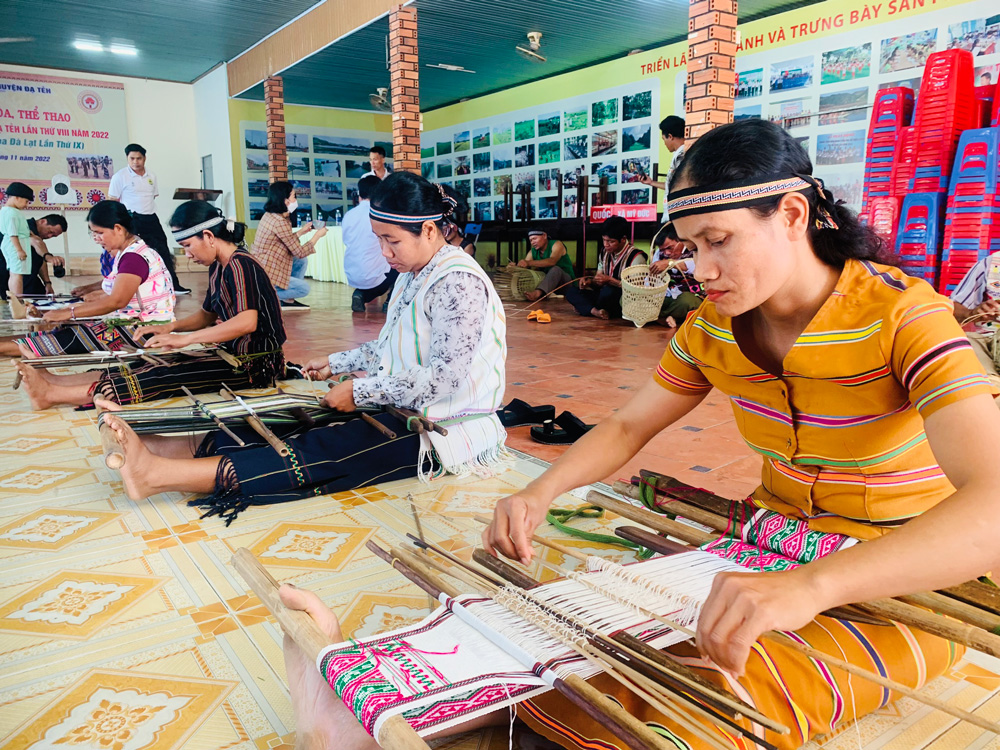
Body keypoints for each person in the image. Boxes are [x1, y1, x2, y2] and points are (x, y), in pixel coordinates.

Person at [469, 118, 1000, 749]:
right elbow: (628, 423)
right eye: (691, 247)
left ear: (793, 214)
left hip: (908, 570)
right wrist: (541, 491)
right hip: (771, 542)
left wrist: (816, 585)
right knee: (583, 660)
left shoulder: (905, 316)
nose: (700, 268)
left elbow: (992, 504)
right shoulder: (712, 327)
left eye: (718, 241)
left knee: (703, 700)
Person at [100, 172, 508, 525]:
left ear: (431, 231)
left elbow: (445, 377)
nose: (384, 253)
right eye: (378, 239)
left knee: (324, 448)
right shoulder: (412, 274)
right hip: (404, 405)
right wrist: (334, 363)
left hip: (448, 430)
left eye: (392, 241)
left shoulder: (458, 282)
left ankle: (156, 475)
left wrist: (360, 391)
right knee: (289, 420)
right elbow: (389, 347)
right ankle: (162, 448)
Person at [15, 201, 286, 409]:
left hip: (254, 365)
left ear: (209, 236)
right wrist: (172, 327)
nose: (188, 255)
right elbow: (207, 314)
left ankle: (52, 395)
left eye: (189, 246)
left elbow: (246, 322)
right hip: (230, 354)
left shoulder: (241, 265)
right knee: (142, 364)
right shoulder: (218, 267)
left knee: (160, 375)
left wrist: (186, 339)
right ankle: (53, 382)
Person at [1, 201, 174, 357]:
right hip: (135, 322)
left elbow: (116, 301)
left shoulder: (134, 257)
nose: (97, 239)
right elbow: (118, 290)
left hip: (146, 330)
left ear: (118, 229)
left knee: (63, 338)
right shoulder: (129, 251)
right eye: (93, 234)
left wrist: (68, 312)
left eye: (99, 233)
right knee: (62, 329)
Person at [108, 143, 190, 294]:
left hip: (151, 217)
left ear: (144, 158)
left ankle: (173, 285)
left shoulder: (151, 175)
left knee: (163, 250)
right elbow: (113, 200)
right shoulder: (120, 176)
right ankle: (131, 286)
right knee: (135, 251)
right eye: (132, 158)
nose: (135, 162)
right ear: (127, 158)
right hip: (132, 218)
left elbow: (152, 196)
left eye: (139, 158)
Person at [252, 181, 326, 311]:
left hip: (262, 266)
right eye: (293, 196)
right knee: (303, 289)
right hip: (268, 270)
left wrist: (302, 231)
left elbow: (285, 241)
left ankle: (287, 299)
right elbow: (299, 251)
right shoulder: (280, 222)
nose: (295, 200)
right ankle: (264, 297)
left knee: (301, 261)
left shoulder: (270, 216)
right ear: (285, 200)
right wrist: (317, 236)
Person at [563, 215, 646, 319]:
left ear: (623, 239)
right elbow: (599, 278)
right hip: (603, 295)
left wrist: (610, 280)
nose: (606, 244)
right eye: (604, 240)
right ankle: (596, 312)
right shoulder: (604, 252)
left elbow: (637, 289)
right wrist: (590, 282)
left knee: (608, 293)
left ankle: (586, 308)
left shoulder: (636, 257)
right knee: (571, 292)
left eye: (611, 241)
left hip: (623, 300)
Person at [343, 175, 396, 313]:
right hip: (375, 274)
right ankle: (391, 301)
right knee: (402, 265)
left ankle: (360, 294)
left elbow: (346, 240)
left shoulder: (349, 215)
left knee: (378, 277)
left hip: (352, 274)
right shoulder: (379, 214)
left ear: (360, 193)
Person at [949, 254, 1000, 384]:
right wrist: (972, 312)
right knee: (962, 344)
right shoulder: (991, 263)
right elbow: (951, 309)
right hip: (989, 341)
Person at [0, 213, 67, 299]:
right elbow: (36, 242)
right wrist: (48, 257)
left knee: (43, 298)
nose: (49, 236)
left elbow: (40, 260)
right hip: (8, 273)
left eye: (53, 236)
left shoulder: (38, 234)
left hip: (28, 277)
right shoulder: (24, 227)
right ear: (43, 221)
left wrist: (47, 283)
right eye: (50, 232)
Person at [649, 221, 703, 328]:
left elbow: (696, 267)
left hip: (690, 295)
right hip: (668, 296)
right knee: (632, 300)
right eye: (663, 250)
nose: (666, 253)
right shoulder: (658, 254)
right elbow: (651, 279)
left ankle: (656, 317)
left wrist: (669, 263)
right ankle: (669, 317)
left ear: (680, 240)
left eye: (670, 248)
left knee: (687, 302)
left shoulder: (694, 248)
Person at [640, 115, 687, 212]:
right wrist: (651, 182)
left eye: (664, 139)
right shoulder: (681, 154)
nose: (664, 143)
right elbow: (672, 185)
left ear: (670, 136)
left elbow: (681, 186)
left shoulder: (681, 156)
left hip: (675, 214)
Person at [520, 228, 574, 302]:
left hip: (565, 284)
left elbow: (552, 261)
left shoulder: (557, 244)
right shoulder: (532, 252)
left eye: (534, 239)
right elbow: (524, 267)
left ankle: (538, 293)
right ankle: (542, 292)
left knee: (556, 269)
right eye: (531, 240)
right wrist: (516, 266)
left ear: (544, 236)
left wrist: (528, 263)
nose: (532, 242)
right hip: (549, 286)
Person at [1, 182, 34, 299]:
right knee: (16, 274)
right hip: (15, 245)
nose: (26, 205)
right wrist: (19, 250)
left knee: (15, 273)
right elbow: (13, 233)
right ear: (17, 198)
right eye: (26, 201)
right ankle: (17, 300)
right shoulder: (11, 213)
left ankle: (15, 299)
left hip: (14, 243)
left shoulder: (7, 211)